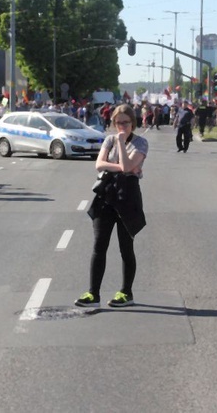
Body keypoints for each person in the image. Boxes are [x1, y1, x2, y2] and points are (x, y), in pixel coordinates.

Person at [75, 104, 148, 308]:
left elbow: (127, 166)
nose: (121, 127)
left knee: (126, 247)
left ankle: (126, 292)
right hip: (106, 196)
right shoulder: (109, 139)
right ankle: (93, 293)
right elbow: (99, 164)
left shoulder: (141, 143)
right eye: (118, 123)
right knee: (99, 245)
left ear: (133, 123)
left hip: (128, 198)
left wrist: (122, 145)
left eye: (125, 122)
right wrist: (125, 168)